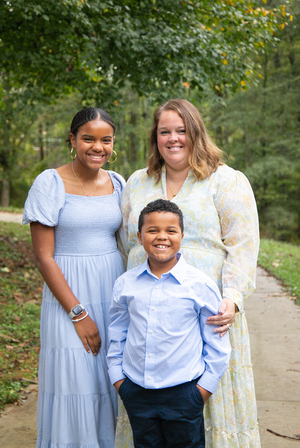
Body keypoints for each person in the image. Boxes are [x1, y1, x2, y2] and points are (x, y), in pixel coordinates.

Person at [116, 99, 260, 447]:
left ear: (196, 133)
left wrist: (233, 299)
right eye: (165, 131)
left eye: (181, 130)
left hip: (208, 312)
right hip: (151, 309)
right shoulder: (138, 182)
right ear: (155, 137)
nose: (173, 138)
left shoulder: (226, 181)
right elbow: (127, 241)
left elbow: (243, 245)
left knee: (202, 398)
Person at [22, 107, 125, 447]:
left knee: (109, 380)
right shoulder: (50, 182)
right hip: (69, 297)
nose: (98, 147)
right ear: (72, 140)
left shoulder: (119, 183)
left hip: (110, 291)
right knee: (75, 379)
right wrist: (78, 313)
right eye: (88, 139)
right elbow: (44, 256)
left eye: (105, 140)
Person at [107, 199, 231, 447]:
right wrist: (119, 381)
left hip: (184, 393)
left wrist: (201, 392)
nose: (161, 237)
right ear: (140, 236)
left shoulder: (200, 285)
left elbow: (216, 342)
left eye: (170, 231)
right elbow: (117, 334)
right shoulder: (126, 284)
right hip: (136, 391)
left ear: (182, 235)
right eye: (152, 230)